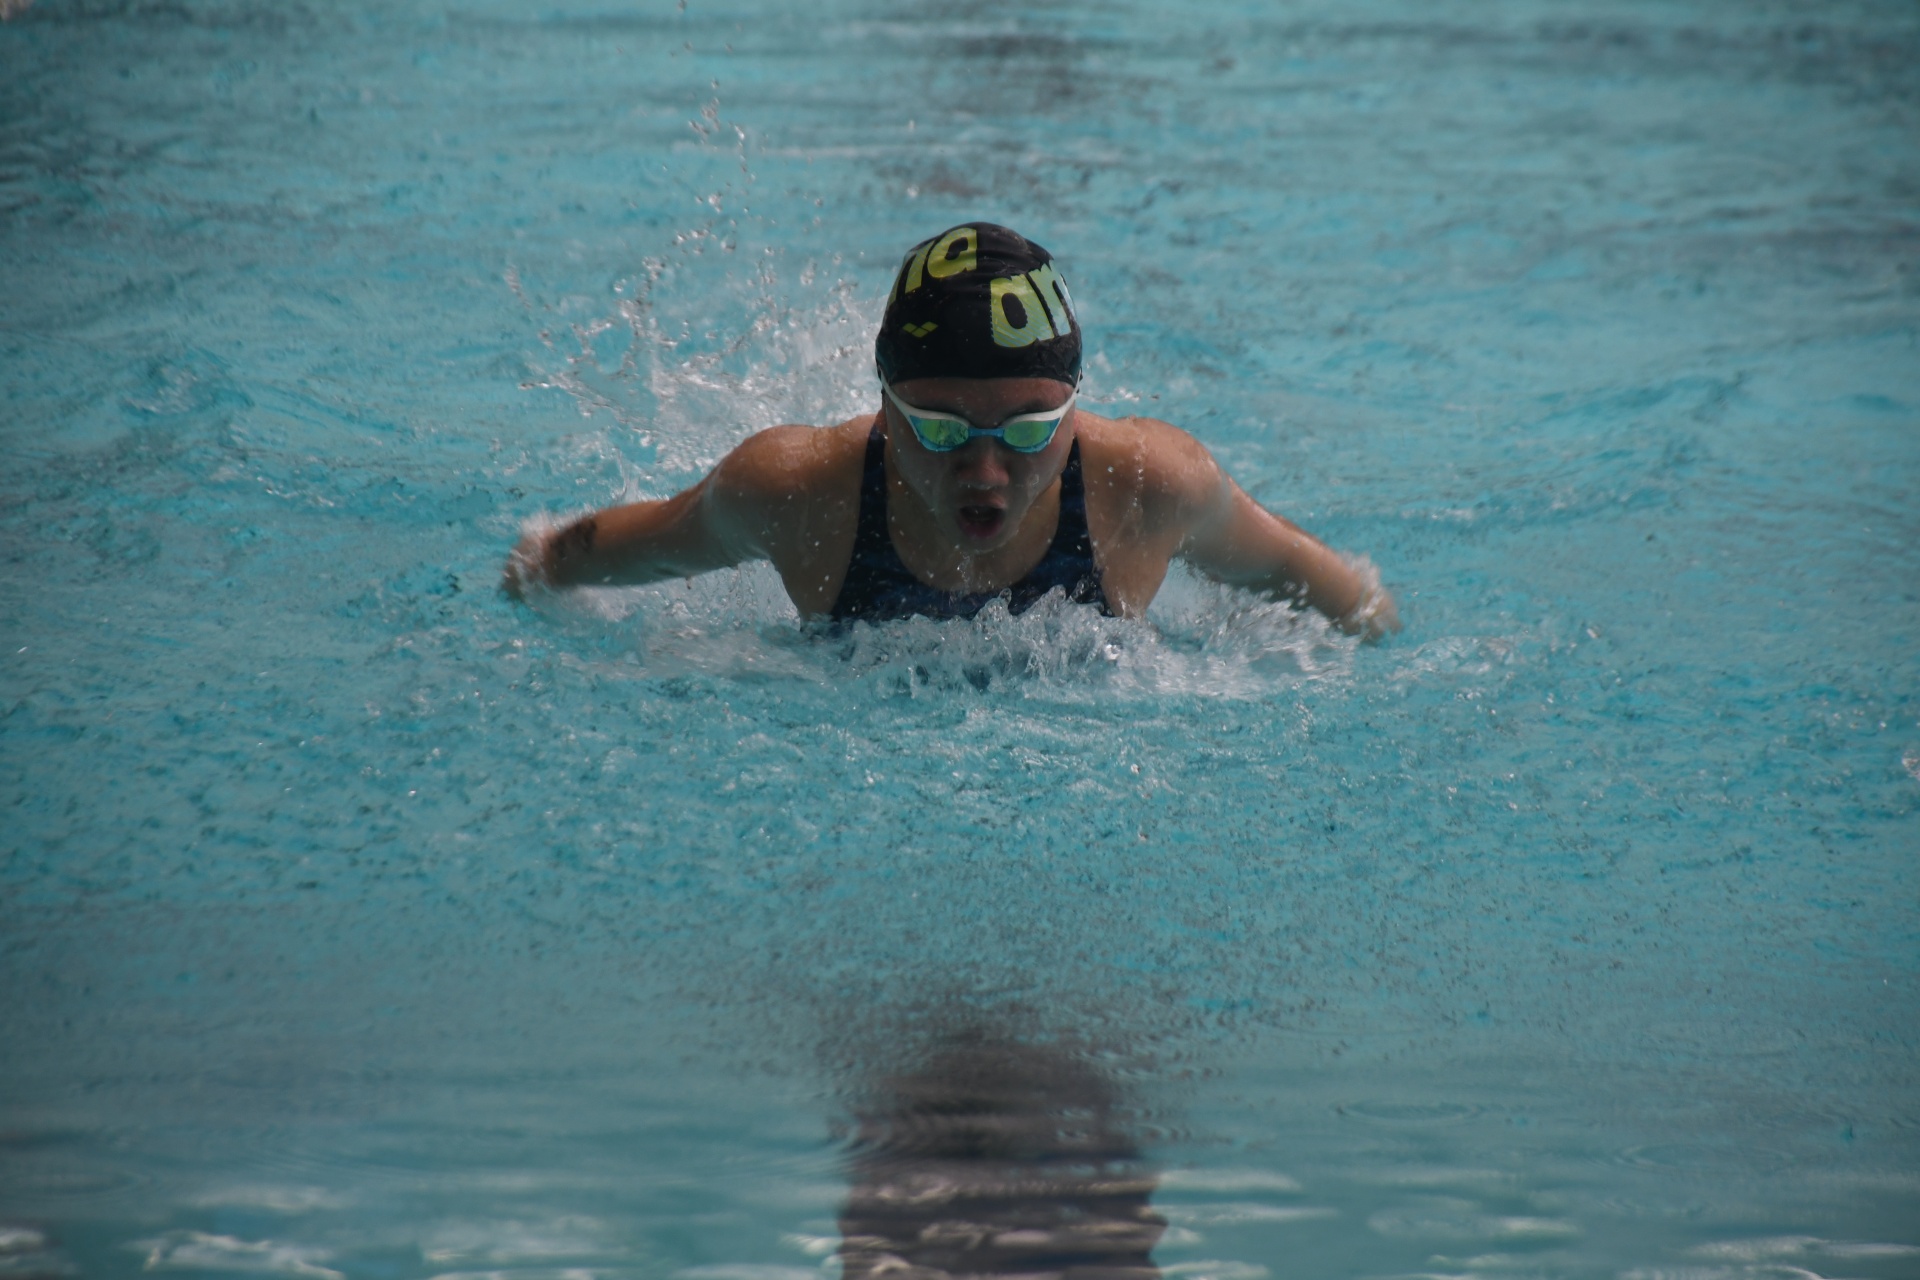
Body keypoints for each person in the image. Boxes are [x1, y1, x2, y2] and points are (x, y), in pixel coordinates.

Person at [505, 223, 1399, 636]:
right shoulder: (795, 492)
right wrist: (531, 570)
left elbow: (1326, 590)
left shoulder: (1148, 487)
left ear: (1075, 404)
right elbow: (603, 552)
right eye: (939, 429)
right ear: (884, 403)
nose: (985, 470)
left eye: (1028, 430)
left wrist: (1377, 629)